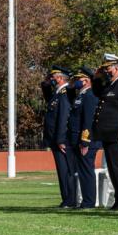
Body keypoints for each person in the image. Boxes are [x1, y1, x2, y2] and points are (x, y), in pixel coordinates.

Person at [93, 55, 118, 210]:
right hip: (108, 134)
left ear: (116, 67)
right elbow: (98, 93)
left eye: (108, 68)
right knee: (113, 169)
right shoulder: (111, 85)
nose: (106, 71)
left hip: (117, 134)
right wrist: (96, 77)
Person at [67, 66, 100, 209]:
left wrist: (85, 141)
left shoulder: (90, 95)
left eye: (78, 79)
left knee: (87, 172)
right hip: (76, 139)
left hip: (86, 141)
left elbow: (88, 120)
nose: (75, 82)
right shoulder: (80, 95)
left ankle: (89, 202)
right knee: (82, 171)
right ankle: (85, 200)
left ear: (86, 81)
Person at [43, 66, 74, 208]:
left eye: (53, 78)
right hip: (55, 139)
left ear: (60, 78)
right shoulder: (57, 94)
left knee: (66, 170)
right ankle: (66, 199)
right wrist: (46, 83)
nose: (51, 80)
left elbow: (63, 118)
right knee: (61, 171)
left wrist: (61, 139)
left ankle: (70, 199)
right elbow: (45, 91)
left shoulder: (65, 93)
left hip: (62, 139)